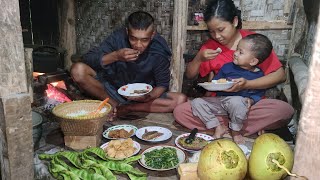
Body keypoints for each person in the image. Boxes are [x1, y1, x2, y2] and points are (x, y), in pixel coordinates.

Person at [173, 0, 294, 137]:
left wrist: (247, 84)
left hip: (249, 106)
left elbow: (280, 75)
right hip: (219, 106)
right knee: (181, 111)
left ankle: (222, 127)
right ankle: (238, 128)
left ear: (235, 21)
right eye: (212, 31)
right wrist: (199, 58)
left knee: (284, 110)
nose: (217, 36)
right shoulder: (210, 47)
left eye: (221, 30)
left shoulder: (253, 43)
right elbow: (190, 75)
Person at [71, 11, 187, 117]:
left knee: (180, 99)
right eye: (133, 38)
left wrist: (148, 96)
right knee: (78, 71)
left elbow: (162, 84)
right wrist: (115, 56)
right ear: (127, 32)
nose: (138, 45)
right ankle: (115, 105)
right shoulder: (118, 38)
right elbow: (88, 59)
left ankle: (126, 108)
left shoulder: (158, 48)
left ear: (152, 35)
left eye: (145, 40)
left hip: (143, 97)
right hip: (113, 91)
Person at [191, 34, 272, 143]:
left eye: (240, 52)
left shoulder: (258, 75)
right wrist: (210, 85)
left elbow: (259, 93)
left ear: (253, 61)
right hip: (220, 102)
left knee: (237, 102)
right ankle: (217, 126)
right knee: (196, 102)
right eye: (236, 49)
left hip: (240, 106)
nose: (235, 53)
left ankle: (235, 131)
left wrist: (251, 100)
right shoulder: (227, 67)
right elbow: (216, 82)